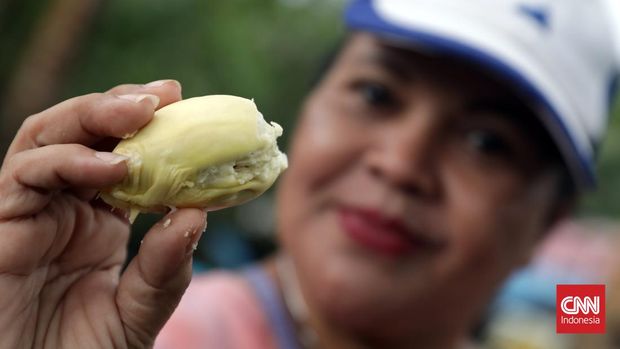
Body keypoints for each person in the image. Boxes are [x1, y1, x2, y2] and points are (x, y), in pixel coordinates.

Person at [0, 0, 618, 348]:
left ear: (545, 226)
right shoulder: (171, 333)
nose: (400, 164)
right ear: (308, 109)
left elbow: (576, 306)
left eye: (488, 142)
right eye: (376, 94)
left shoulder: (539, 312)